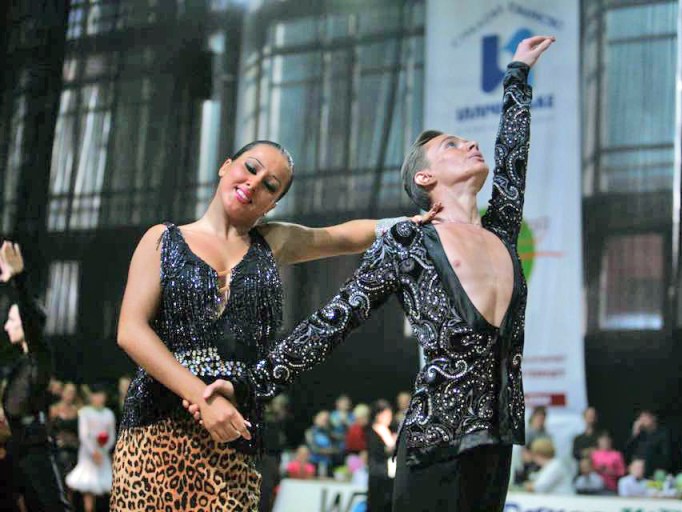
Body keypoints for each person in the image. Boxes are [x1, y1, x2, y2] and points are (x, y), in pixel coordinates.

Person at [191, 36, 556, 512]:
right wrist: (246, 385)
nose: (470, 143)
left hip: (497, 446)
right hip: (433, 447)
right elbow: (331, 323)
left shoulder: (502, 232)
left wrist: (517, 76)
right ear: (425, 178)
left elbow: (514, 160)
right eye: (451, 144)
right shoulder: (408, 243)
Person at [111, 139, 436, 510]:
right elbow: (131, 331)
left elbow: (342, 236)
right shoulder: (163, 239)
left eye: (270, 185)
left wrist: (412, 223)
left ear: (272, 204)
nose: (255, 183)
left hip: (235, 435)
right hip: (156, 426)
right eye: (251, 168)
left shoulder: (272, 243)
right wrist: (205, 398)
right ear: (225, 166)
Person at [0, 241, 71, 511]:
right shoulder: (22, 362)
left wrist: (19, 280)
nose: (7, 325)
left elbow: (31, 320)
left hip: (33, 452)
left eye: (12, 320)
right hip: (15, 450)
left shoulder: (40, 356)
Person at [65, 385, 115, 512]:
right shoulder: (84, 412)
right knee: (88, 487)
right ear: (91, 396)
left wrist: (103, 451)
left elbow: (112, 436)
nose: (98, 398)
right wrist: (93, 452)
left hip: (102, 454)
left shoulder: (109, 413)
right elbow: (84, 435)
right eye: (96, 395)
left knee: (108, 487)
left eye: (101, 395)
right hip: (88, 454)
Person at [49, 382, 81, 498]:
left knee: (71, 486)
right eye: (68, 392)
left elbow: (81, 431)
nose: (70, 395)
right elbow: (49, 431)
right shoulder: (54, 409)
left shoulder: (78, 410)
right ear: (62, 392)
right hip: (59, 450)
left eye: (73, 393)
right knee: (60, 483)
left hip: (74, 449)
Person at [366, 400, 396, 512]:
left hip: (389, 474)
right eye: (386, 415)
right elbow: (377, 451)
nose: (389, 417)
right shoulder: (373, 432)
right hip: (378, 472)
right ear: (378, 415)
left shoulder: (388, 431)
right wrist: (391, 449)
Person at [624, 410, 670, 478]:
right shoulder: (639, 434)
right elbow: (627, 452)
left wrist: (645, 464)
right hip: (635, 472)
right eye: (641, 418)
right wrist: (634, 434)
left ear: (653, 418)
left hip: (653, 472)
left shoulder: (662, 434)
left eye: (645, 417)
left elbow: (665, 457)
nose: (642, 420)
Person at [305, 410, 338, 476]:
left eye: (326, 420)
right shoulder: (310, 432)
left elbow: (336, 449)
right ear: (315, 419)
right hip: (313, 463)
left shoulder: (329, 433)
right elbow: (314, 449)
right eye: (322, 419)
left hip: (327, 463)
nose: (324, 422)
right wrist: (329, 450)